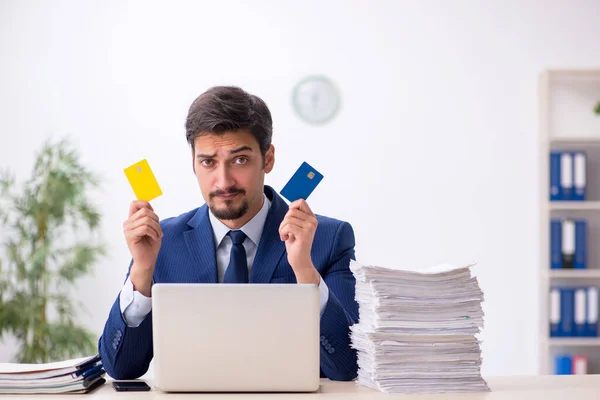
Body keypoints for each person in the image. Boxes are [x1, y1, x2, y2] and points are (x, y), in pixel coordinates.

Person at [98, 86, 359, 381]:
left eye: (240, 160)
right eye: (208, 162)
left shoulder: (330, 238)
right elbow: (121, 368)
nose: (223, 181)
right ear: (194, 164)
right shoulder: (162, 242)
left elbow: (348, 367)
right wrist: (142, 272)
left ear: (268, 159)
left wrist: (305, 273)